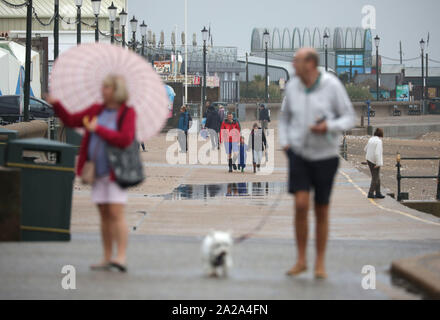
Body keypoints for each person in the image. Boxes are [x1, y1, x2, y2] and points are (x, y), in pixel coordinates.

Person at [279, 48, 355, 279]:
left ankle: (319, 262)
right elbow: (284, 118)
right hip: (299, 153)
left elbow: (349, 117)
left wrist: (328, 126)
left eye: (297, 61)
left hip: (326, 156)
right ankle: (301, 260)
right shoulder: (292, 87)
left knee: (321, 208)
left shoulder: (331, 85)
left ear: (310, 64)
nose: (293, 65)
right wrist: (285, 143)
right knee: (301, 204)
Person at [47, 75, 136, 273]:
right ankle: (106, 256)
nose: (102, 90)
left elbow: (125, 139)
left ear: (116, 90)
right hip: (97, 170)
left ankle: (120, 257)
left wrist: (99, 129)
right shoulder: (97, 110)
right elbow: (71, 120)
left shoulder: (127, 113)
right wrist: (57, 104)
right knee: (104, 214)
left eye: (106, 87)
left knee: (116, 213)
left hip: (116, 171)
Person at [364, 128, 385, 199]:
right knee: (375, 178)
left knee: (377, 177)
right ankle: (370, 193)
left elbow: (365, 149)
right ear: (381, 135)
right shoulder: (379, 141)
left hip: (369, 159)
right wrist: (378, 163)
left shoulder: (371, 139)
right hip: (374, 161)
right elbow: (377, 153)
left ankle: (378, 192)